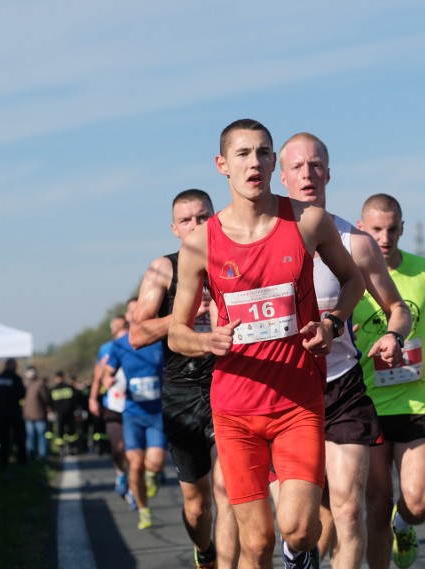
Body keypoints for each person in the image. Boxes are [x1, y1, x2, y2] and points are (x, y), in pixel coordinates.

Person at [168, 118, 364, 569]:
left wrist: (332, 323)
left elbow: (353, 280)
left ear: (274, 161)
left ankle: (298, 556)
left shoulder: (306, 221)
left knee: (299, 526)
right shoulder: (200, 243)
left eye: (262, 152)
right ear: (222, 165)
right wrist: (206, 340)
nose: (254, 162)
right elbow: (177, 333)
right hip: (236, 410)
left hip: (298, 401)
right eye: (242, 154)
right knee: (255, 543)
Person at [277, 133, 412, 569]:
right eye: (297, 167)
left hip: (342, 389)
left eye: (315, 165)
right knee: (298, 523)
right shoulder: (265, 240)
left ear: (329, 173)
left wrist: (394, 335)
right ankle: (297, 553)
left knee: (350, 509)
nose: (307, 174)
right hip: (284, 394)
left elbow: (397, 309)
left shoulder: (356, 243)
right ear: (282, 176)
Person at [129, 188, 239, 569]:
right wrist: (184, 312)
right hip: (183, 391)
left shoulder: (236, 260)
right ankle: (205, 551)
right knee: (197, 506)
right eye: (187, 219)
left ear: (216, 218)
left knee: (230, 491)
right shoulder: (164, 268)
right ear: (175, 228)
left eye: (203, 216)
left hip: (231, 384)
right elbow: (137, 334)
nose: (196, 225)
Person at [354, 193, 425, 569]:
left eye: (392, 229)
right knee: (376, 507)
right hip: (366, 402)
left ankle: (404, 526)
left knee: (419, 502)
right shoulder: (348, 277)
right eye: (376, 229)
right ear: (361, 230)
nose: (385, 237)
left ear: (402, 228)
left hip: (414, 399)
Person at [105, 298, 167, 530]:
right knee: (136, 464)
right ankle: (143, 510)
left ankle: (153, 476)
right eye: (131, 312)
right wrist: (107, 379)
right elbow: (108, 371)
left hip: (156, 413)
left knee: (156, 462)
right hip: (132, 414)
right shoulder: (120, 345)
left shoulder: (159, 341)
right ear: (128, 317)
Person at [90, 315, 133, 505]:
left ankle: (134, 486)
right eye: (117, 327)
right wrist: (93, 398)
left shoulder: (137, 343)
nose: (120, 329)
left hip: (133, 403)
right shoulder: (106, 348)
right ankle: (120, 473)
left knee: (133, 450)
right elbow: (98, 374)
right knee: (119, 448)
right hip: (113, 404)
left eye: (123, 325)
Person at [0, 358, 27, 468]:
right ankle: (22, 460)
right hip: (13, 411)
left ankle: (3, 461)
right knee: (19, 436)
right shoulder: (16, 378)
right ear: (13, 365)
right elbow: (22, 394)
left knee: (2, 438)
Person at [23, 366, 50, 461]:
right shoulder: (26, 385)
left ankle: (39, 455)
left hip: (36, 415)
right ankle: (35, 455)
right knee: (34, 436)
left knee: (37, 436)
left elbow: (46, 398)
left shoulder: (37, 384)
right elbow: (46, 398)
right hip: (31, 415)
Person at [50, 371, 78, 455]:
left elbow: (50, 402)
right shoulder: (69, 387)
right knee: (71, 431)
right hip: (69, 413)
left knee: (60, 431)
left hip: (59, 414)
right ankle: (71, 447)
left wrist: (51, 411)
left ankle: (61, 449)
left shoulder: (53, 389)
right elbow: (75, 400)